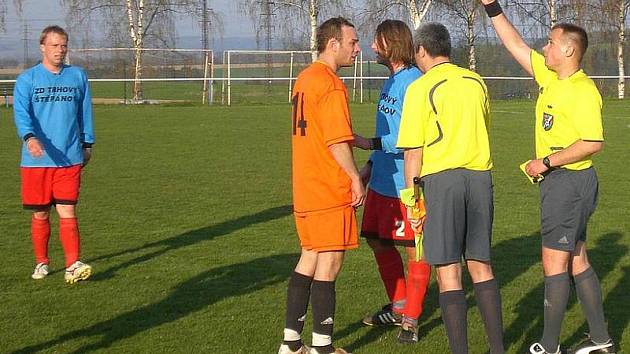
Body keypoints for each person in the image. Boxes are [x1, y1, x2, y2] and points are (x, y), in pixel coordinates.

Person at [479, 1, 615, 354]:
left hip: (568, 182)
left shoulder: (582, 91)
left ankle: (549, 346)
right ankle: (601, 340)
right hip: (565, 183)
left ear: (568, 49)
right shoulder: (551, 77)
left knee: (553, 261)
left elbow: (593, 142)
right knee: (576, 258)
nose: (544, 47)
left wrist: (546, 162)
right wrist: (492, 7)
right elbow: (516, 45)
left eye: (551, 42)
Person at [397, 22, 505, 354]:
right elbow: (484, 130)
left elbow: (413, 152)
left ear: (421, 51)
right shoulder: (477, 81)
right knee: (481, 266)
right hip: (480, 178)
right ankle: (498, 349)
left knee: (448, 273)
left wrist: (414, 205)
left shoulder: (420, 87)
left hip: (443, 181)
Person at [277, 17, 365, 354]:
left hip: (305, 184)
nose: (357, 49)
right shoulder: (329, 83)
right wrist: (355, 177)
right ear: (334, 44)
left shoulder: (304, 78)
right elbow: (335, 140)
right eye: (353, 42)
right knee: (330, 263)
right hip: (328, 186)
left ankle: (291, 344)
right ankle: (323, 348)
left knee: (309, 258)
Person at [353, 19, 431, 344]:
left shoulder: (412, 81)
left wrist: (367, 144)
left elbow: (408, 138)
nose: (372, 47)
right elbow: (389, 131)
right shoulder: (392, 80)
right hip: (382, 180)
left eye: (377, 41)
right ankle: (399, 304)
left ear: (391, 44)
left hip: (406, 183)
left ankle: (411, 319)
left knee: (416, 249)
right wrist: (370, 164)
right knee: (376, 240)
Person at [13, 25, 94, 284]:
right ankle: (42, 262)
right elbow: (21, 114)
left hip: (70, 157)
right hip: (37, 161)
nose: (60, 50)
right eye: (54, 45)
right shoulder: (28, 79)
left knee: (67, 210)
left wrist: (87, 143)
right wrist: (29, 138)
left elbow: (85, 112)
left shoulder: (78, 77)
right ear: (42, 47)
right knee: (40, 214)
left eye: (63, 45)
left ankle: (72, 264)